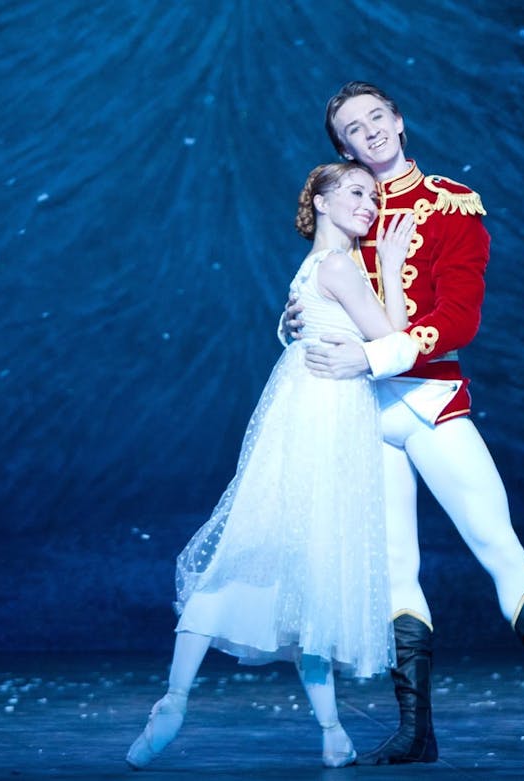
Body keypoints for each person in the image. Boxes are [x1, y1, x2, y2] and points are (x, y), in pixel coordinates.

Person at [282, 81, 524, 768]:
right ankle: (416, 731)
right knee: (395, 571)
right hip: (359, 417)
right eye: (353, 127)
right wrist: (294, 320)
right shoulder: (349, 211)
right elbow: (316, 291)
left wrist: (371, 355)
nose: (370, 131)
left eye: (377, 117)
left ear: (400, 121)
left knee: (498, 547)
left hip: (428, 399)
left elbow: (460, 319)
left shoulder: (449, 203)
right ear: (342, 148)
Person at [126, 161, 418, 770]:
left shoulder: (317, 265)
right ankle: (195, 707)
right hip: (322, 420)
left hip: (310, 414)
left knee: (297, 572)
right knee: (294, 563)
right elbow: (391, 340)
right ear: (322, 197)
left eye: (374, 195)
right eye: (357, 192)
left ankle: (319, 727)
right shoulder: (340, 264)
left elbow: (314, 327)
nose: (370, 203)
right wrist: (390, 269)